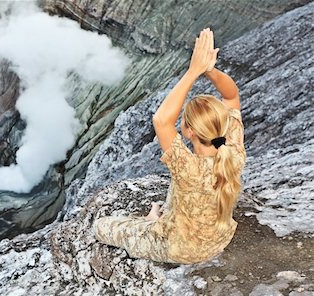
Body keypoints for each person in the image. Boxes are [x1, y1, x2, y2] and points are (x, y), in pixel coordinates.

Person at [92, 28, 246, 264]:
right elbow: (232, 96)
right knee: (173, 201)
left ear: (190, 131)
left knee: (101, 226)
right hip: (219, 238)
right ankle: (160, 219)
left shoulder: (188, 168)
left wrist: (194, 71)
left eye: (183, 121)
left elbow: (161, 120)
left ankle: (154, 222)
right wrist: (211, 71)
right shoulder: (232, 148)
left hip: (181, 248)